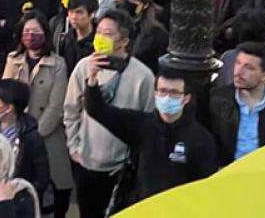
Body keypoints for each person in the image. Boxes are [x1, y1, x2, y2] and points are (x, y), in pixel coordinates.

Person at [63, 9, 155, 218]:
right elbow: (70, 110)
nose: (101, 38)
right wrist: (74, 145)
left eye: (109, 33)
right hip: (86, 161)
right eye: (99, 31)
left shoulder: (142, 76)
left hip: (120, 167)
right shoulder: (83, 67)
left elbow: (147, 122)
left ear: (124, 40)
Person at [83, 66, 218, 207]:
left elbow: (206, 185)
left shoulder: (201, 139)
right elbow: (97, 111)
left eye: (174, 93)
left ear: (186, 98)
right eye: (163, 91)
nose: (167, 97)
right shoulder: (141, 124)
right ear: (155, 94)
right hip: (142, 207)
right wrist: (92, 79)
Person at [2, 12, 72, 218]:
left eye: (36, 31)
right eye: (27, 31)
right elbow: (4, 95)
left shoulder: (57, 64)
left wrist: (34, 134)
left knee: (55, 194)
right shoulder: (12, 60)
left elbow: (56, 106)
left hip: (47, 136)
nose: (31, 36)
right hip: (15, 135)